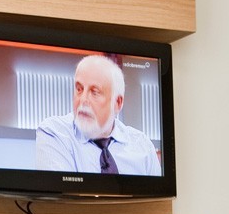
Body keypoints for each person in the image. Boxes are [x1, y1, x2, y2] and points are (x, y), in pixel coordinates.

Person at [33, 54, 161, 174]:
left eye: (94, 92)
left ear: (117, 102)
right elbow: (63, 194)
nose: (83, 100)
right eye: (79, 89)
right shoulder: (54, 132)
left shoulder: (142, 146)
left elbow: (159, 198)